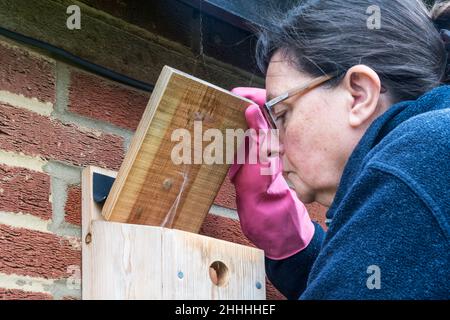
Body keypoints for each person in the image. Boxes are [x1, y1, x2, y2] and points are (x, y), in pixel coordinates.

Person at [230, 0, 450, 299]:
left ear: (359, 95)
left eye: (281, 114)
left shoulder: (422, 152)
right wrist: (294, 245)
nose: (273, 140)